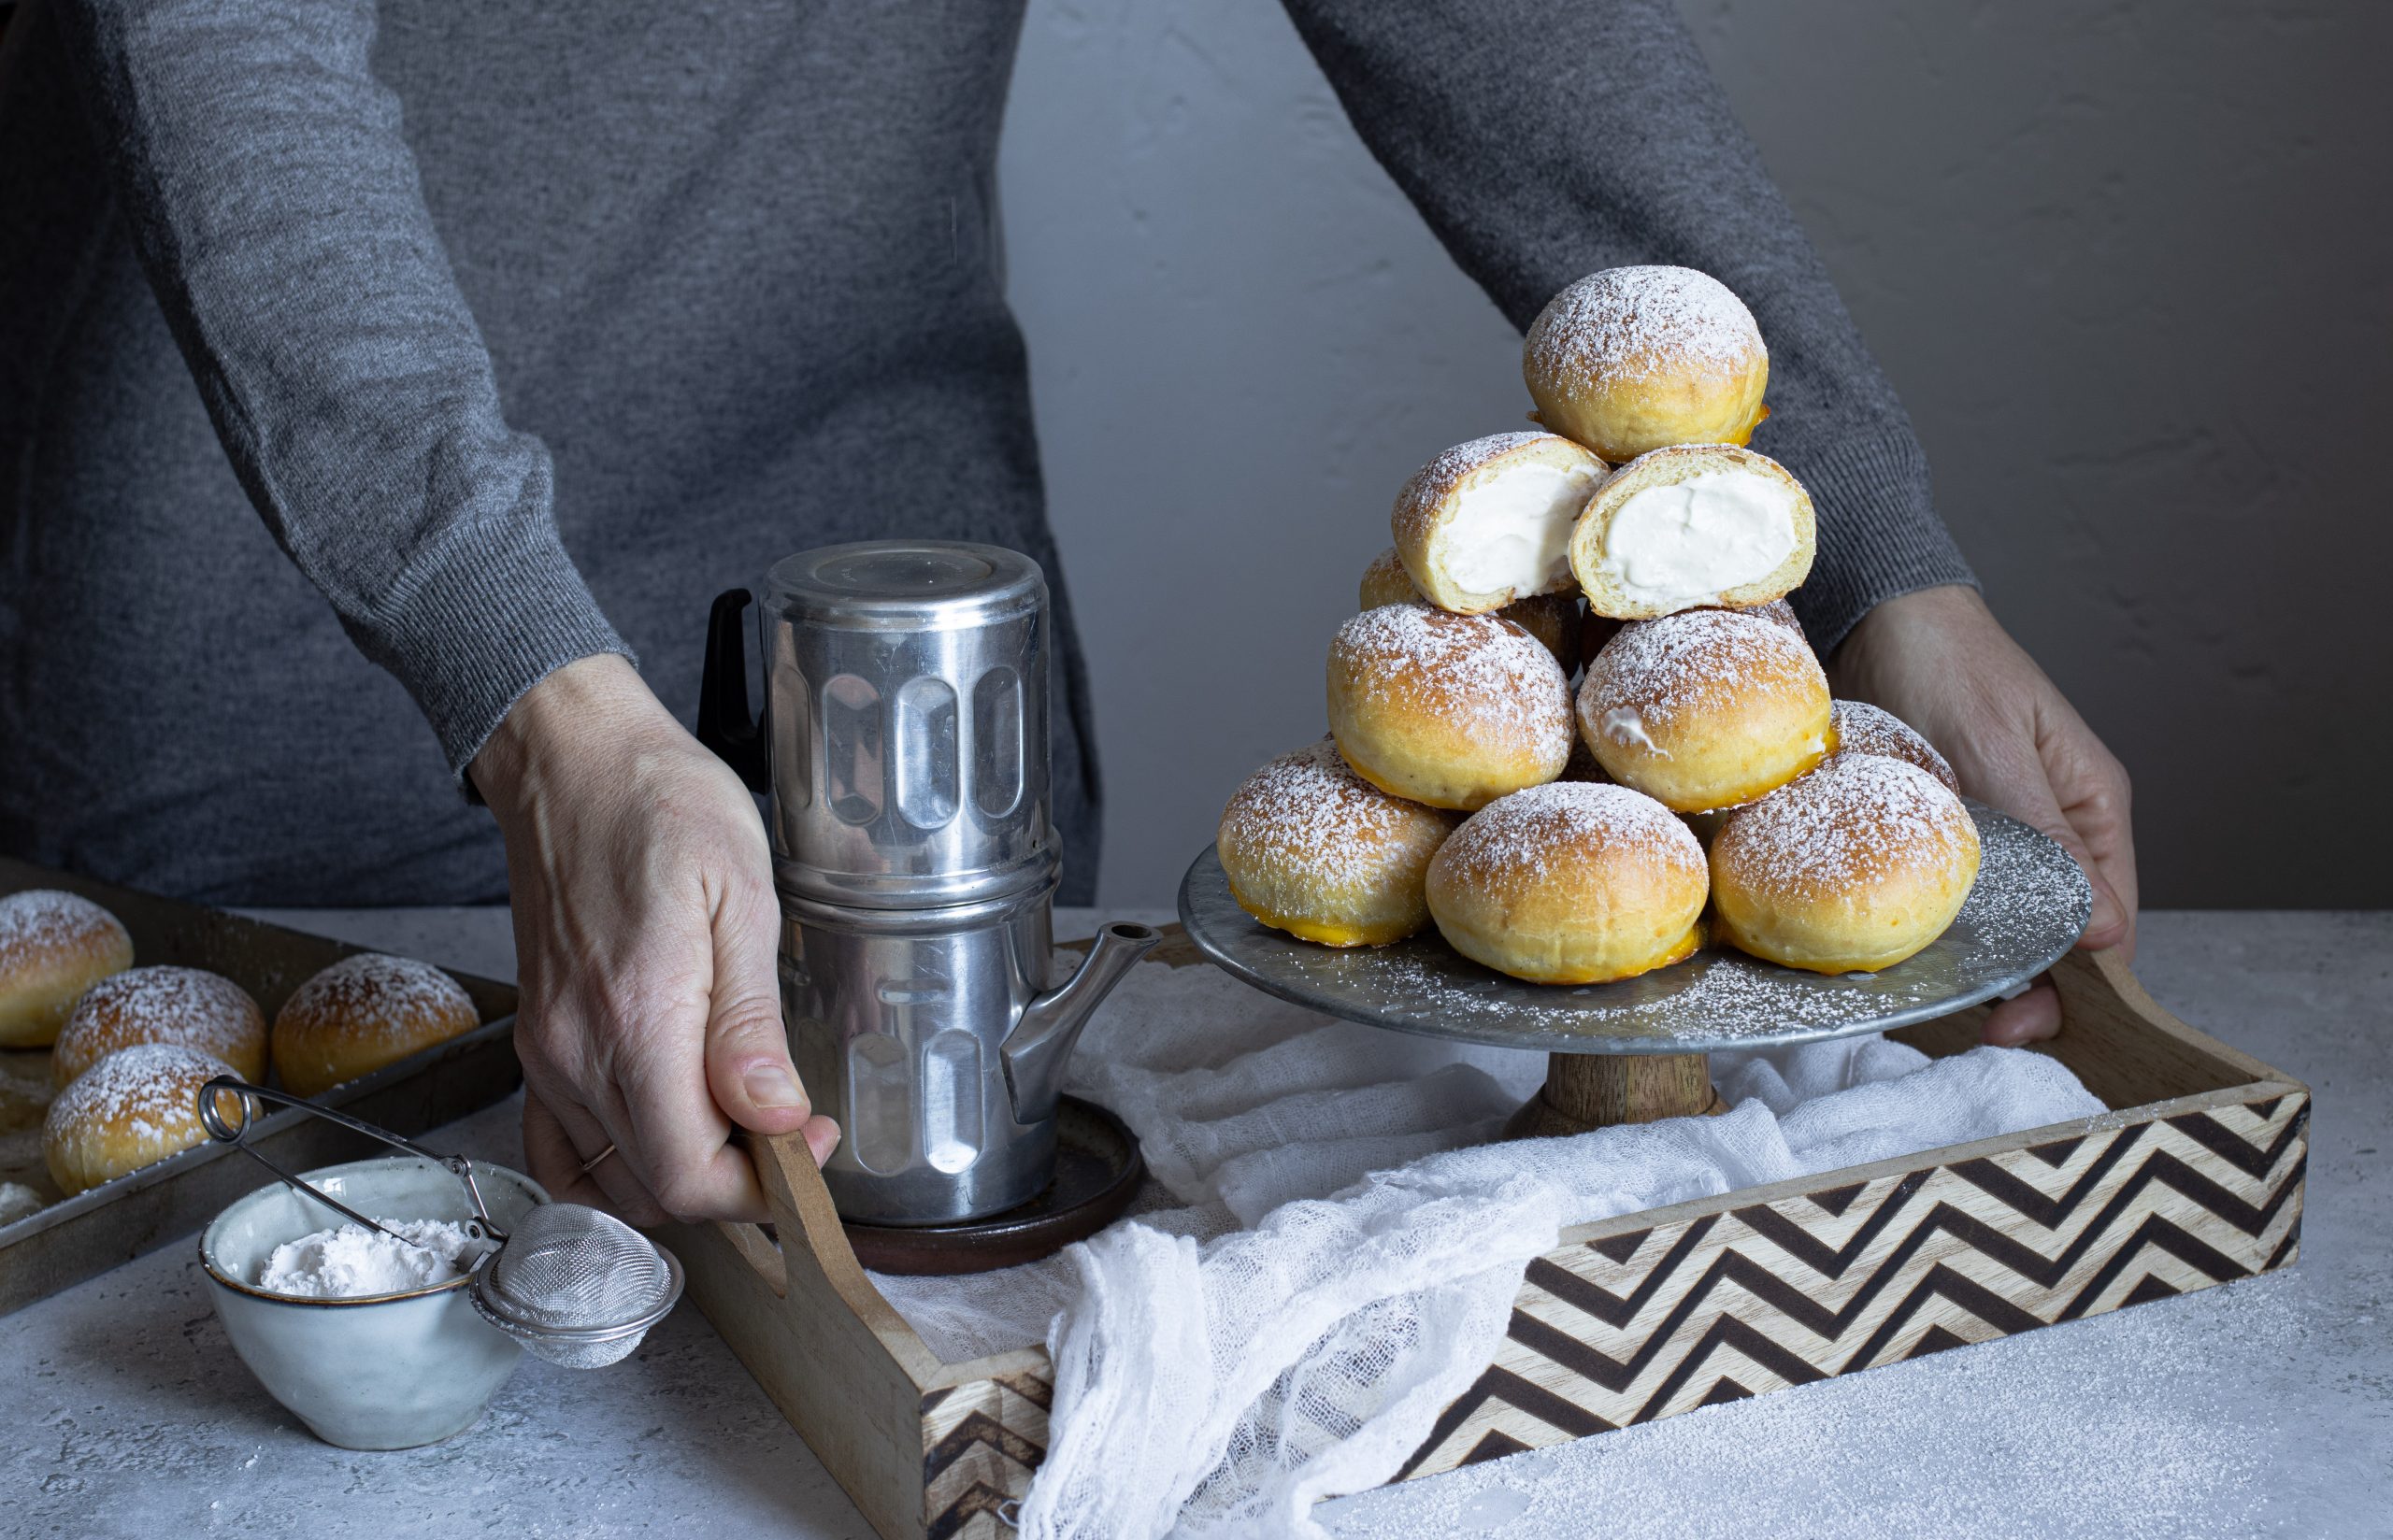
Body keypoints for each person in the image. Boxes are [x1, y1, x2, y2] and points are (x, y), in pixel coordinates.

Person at [0, 1, 2133, 1226]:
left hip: (912, 652)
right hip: (295, 615)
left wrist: (1872, 548)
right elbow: (223, 43)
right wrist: (523, 682)